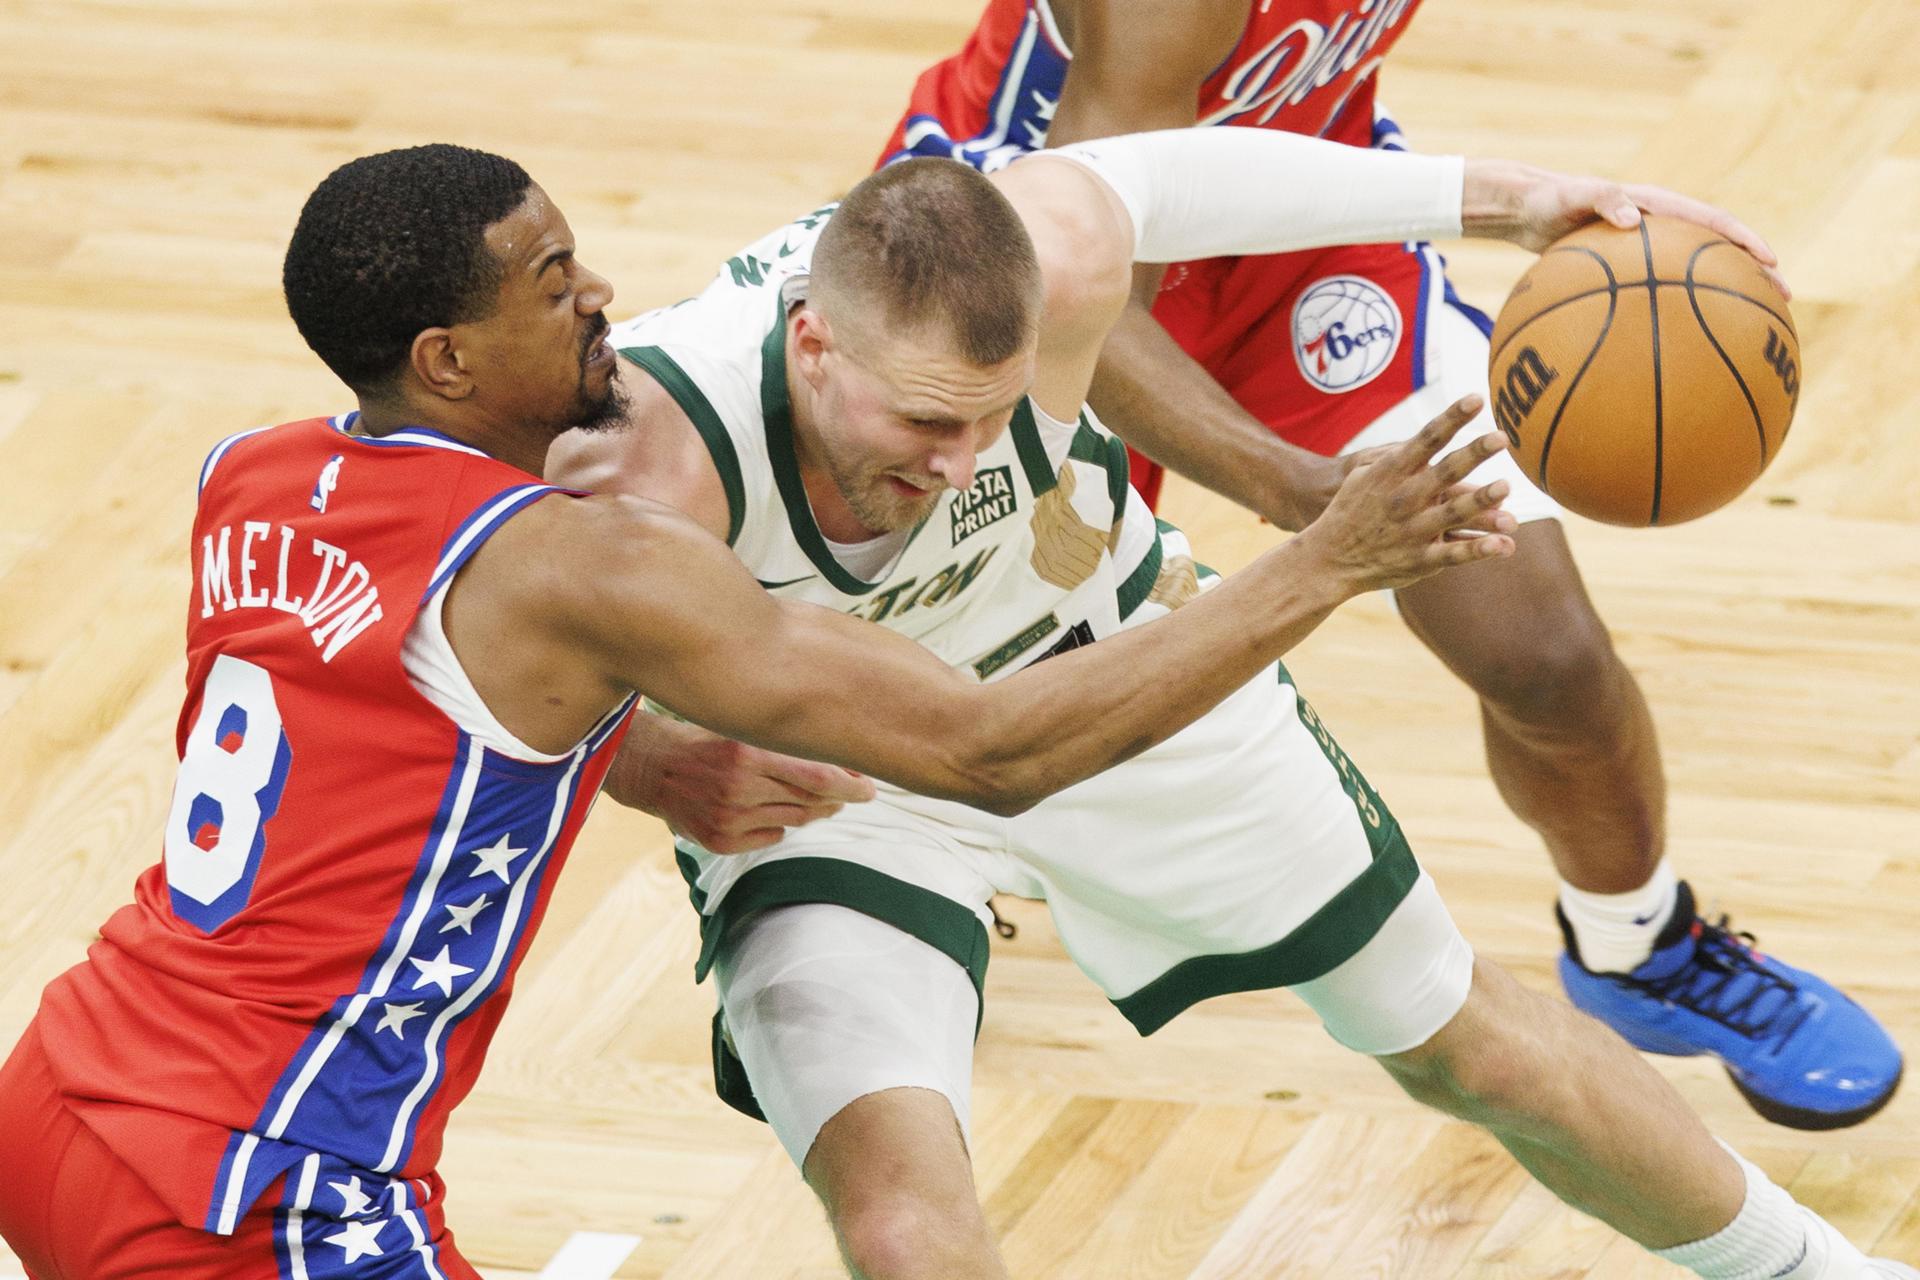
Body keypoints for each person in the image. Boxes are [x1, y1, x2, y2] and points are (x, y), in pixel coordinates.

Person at [0, 143, 1519, 1280]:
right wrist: (1328, 560)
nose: (596, 292)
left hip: (62, 1090)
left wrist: (650, 762)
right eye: (549, 286)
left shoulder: (244, 479)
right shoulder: (586, 568)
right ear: (446, 359)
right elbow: (993, 751)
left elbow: (397, 715)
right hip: (264, 1187)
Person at [550, 132, 1914, 1278]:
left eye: (995, 415)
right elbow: (427, 639)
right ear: (812, 340)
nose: (964, 461)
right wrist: (644, 754)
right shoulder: (641, 469)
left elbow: (1172, 180)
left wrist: (1511, 201)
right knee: (904, 1223)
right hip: (841, 781)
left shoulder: (1054, 249)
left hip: (1124, 670)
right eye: (922, 426)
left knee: (1472, 1046)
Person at [875, 0, 1903, 1132]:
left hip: (1292, 237)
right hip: (1032, 263)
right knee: (946, 690)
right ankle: (889, 876)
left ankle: (1637, 946)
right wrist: (1292, 490)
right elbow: (1076, 265)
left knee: (1543, 654)